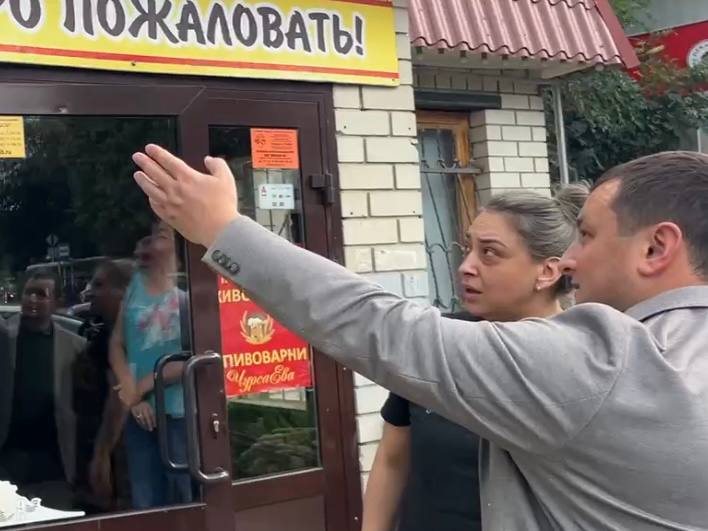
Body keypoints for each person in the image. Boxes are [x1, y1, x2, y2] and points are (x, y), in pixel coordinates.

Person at [133, 145, 708, 529]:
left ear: (656, 247)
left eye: (587, 235)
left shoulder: (606, 363)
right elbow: (393, 458)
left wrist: (223, 229)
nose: (573, 258)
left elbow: (381, 326)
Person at [363, 185, 588, 531]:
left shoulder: (587, 361)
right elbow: (392, 460)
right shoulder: (438, 343)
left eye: (490, 253)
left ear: (547, 272)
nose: (466, 267)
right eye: (469, 249)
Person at [109, 222, 191, 509]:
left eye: (161, 236)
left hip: (178, 411)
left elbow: (190, 357)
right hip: (139, 412)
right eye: (149, 237)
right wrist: (133, 398)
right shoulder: (134, 288)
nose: (150, 242)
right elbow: (116, 344)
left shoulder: (186, 295)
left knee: (183, 494)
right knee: (145, 498)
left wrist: (139, 388)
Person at [0, 272, 86, 509]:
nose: (32, 300)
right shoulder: (4, 337)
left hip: (54, 459)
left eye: (41, 294)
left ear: (56, 302)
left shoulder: (75, 346)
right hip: (8, 454)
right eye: (29, 293)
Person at [73, 259, 134, 511]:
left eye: (99, 285)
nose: (90, 291)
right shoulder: (105, 332)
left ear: (123, 292)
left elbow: (119, 396)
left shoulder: (129, 335)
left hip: (123, 455)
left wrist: (102, 454)